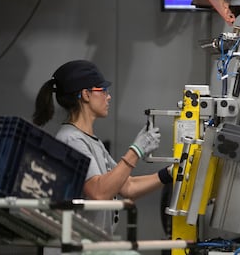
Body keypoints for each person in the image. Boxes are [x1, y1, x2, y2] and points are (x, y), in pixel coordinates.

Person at [32, 59, 173, 235]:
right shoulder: (71, 140)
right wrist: (136, 151)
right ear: (86, 94)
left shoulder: (91, 141)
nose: (108, 96)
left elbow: (127, 187)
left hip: (91, 241)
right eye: (103, 90)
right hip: (75, 245)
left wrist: (169, 174)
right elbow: (99, 192)